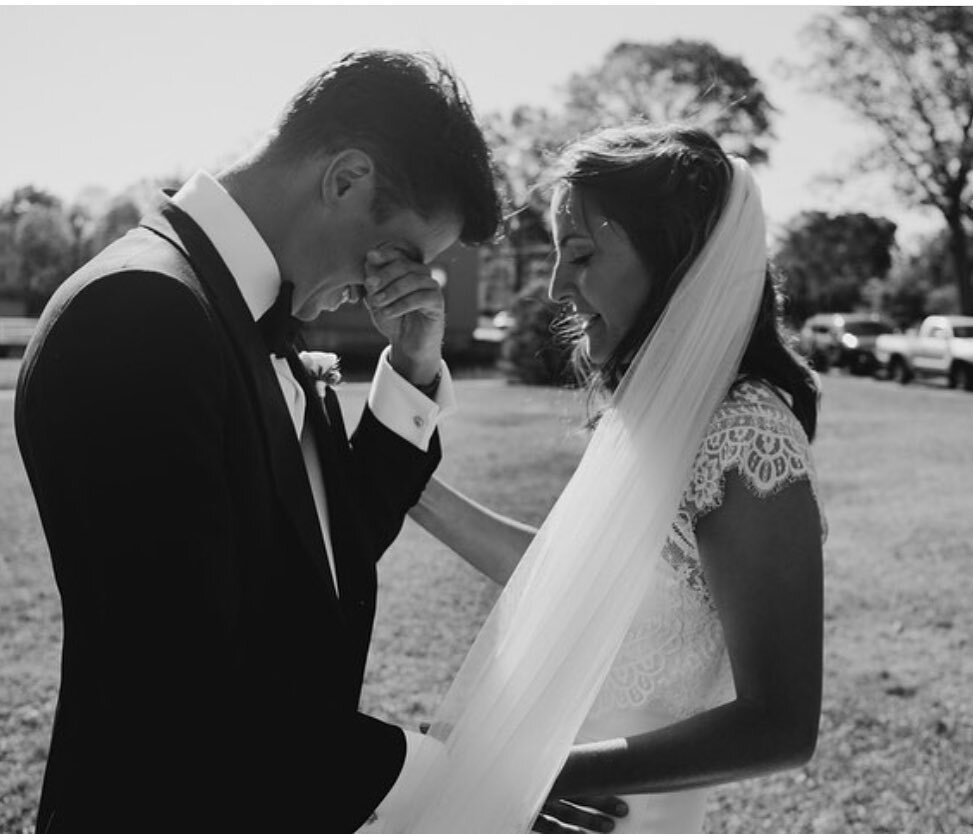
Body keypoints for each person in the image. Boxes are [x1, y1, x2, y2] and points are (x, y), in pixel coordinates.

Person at [14, 49, 503, 834]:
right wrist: (448, 781)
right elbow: (182, 693)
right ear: (346, 179)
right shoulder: (139, 316)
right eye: (404, 253)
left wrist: (412, 367)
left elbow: (323, 561)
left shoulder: (241, 313)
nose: (388, 282)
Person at [403, 125, 826, 834]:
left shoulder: (745, 436)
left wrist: (539, 771)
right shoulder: (653, 418)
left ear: (675, 263)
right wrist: (410, 489)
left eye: (580, 253)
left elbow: (780, 723)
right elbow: (568, 575)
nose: (554, 286)